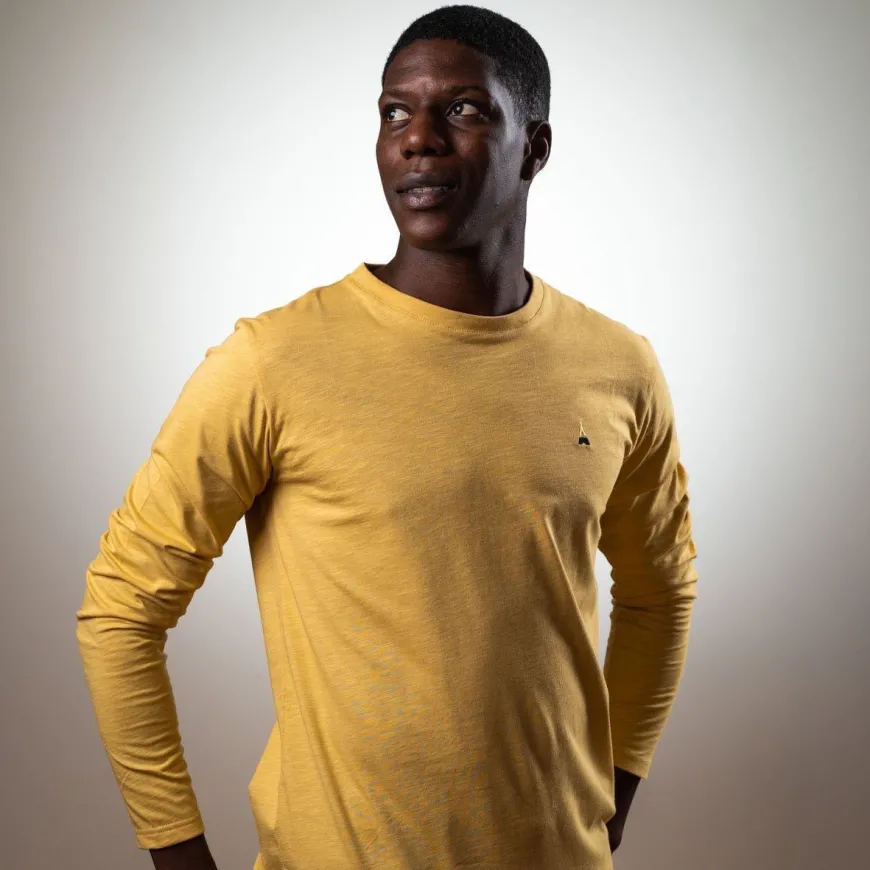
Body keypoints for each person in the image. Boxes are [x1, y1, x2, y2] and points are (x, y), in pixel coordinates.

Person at [76, 5, 700, 869]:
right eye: (395, 112)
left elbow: (661, 592)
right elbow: (120, 610)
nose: (418, 140)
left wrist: (613, 793)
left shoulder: (618, 366)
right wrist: (176, 853)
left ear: (536, 148)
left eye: (463, 109)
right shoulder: (273, 361)